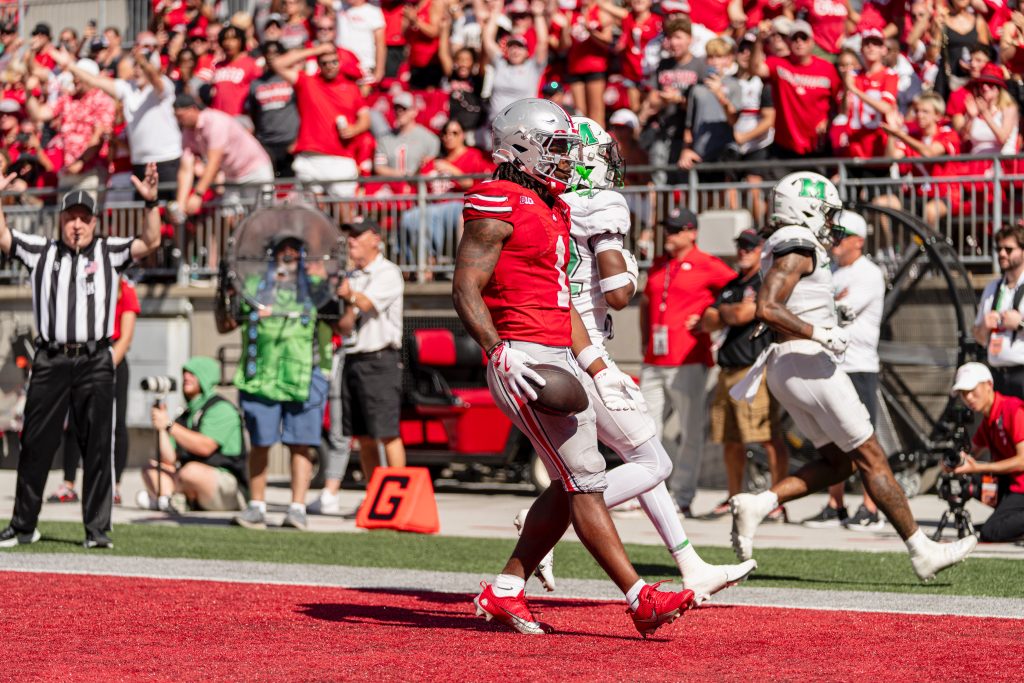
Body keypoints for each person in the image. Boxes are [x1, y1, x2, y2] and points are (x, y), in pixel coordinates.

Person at [454, 98, 694, 637]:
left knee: (579, 477)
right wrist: (498, 350)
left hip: (562, 352)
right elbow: (465, 287)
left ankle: (506, 589)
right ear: (522, 148)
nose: (569, 162)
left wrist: (598, 367)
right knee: (584, 479)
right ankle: (640, 597)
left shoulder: (554, 208)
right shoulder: (498, 199)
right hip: (525, 356)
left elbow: (564, 303)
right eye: (559, 149)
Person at [531, 115, 756, 604]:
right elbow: (616, 293)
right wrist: (628, 268)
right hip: (583, 348)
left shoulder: (552, 203)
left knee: (641, 451)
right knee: (654, 460)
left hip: (559, 339)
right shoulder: (602, 203)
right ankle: (544, 526)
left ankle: (690, 564)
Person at [728, 171, 977, 582]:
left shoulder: (787, 243)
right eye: (825, 213)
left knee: (839, 463)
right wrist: (820, 331)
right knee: (871, 456)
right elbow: (768, 308)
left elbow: (794, 299)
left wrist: (827, 315)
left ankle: (760, 503)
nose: (830, 223)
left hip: (789, 365)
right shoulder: (799, 242)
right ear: (804, 208)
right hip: (809, 361)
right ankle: (921, 549)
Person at [0, 167, 162, 549]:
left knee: (97, 445)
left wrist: (152, 202)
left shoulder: (109, 251)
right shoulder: (42, 251)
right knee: (36, 443)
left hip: (94, 359)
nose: (76, 226)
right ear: (61, 221)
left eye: (83, 219)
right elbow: (4, 237)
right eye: (71, 218)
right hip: (51, 358)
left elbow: (150, 241)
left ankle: (97, 530)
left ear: (94, 222)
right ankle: (24, 525)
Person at [224, 234, 337, 531]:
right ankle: (256, 506)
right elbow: (226, 323)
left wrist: (337, 289)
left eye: (295, 251)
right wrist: (224, 290)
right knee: (260, 441)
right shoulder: (252, 286)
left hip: (303, 374)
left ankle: (297, 508)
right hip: (261, 374)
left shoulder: (316, 289)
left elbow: (343, 323)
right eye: (281, 251)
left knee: (301, 444)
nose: (288, 257)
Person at [639, 206, 736, 516]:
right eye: (668, 228)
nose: (670, 234)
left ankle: (682, 497)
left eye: (677, 229)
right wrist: (644, 340)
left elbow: (739, 291)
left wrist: (715, 318)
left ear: (692, 232)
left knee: (689, 432)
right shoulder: (658, 265)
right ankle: (648, 492)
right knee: (644, 430)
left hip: (689, 360)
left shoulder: (708, 265)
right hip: (654, 360)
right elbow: (645, 302)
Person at [800, 210, 887, 530]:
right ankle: (835, 504)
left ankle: (871, 507)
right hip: (833, 362)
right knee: (832, 436)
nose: (834, 240)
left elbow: (840, 312)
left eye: (841, 235)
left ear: (859, 241)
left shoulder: (869, 273)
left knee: (864, 437)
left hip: (859, 364)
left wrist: (828, 305)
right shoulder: (832, 272)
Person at [701, 229, 787, 519]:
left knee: (767, 436)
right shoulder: (732, 284)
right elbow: (707, 320)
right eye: (740, 246)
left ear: (763, 250)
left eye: (750, 247)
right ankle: (734, 496)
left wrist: (727, 313)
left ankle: (778, 500)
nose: (743, 251)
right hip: (726, 369)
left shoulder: (766, 281)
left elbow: (739, 315)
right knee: (731, 439)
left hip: (754, 370)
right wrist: (732, 311)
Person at [48, 278, 140, 506]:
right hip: (83, 357)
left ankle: (114, 486)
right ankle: (69, 484)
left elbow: (126, 336)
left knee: (116, 424)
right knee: (75, 421)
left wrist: (106, 366)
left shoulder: (126, 290)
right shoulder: (85, 285)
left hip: (113, 359)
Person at [49, 44, 183, 200]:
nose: (138, 70)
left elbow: (155, 79)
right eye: (136, 66)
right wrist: (70, 65)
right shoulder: (127, 88)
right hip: (140, 163)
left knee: (169, 212)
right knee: (146, 212)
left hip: (167, 158)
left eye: (142, 66)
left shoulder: (164, 85)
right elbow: (94, 80)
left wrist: (143, 61)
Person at [337, 217, 406, 481]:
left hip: (379, 361)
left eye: (357, 234)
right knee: (363, 437)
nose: (351, 240)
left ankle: (398, 495)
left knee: (387, 433)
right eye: (349, 235)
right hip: (353, 359)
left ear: (376, 239)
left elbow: (365, 305)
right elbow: (344, 326)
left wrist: (347, 295)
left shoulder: (388, 272)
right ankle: (375, 495)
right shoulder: (351, 276)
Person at [140, 356, 247, 512]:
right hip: (189, 477)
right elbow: (169, 459)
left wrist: (169, 425)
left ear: (205, 376)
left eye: (192, 373)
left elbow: (205, 447)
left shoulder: (221, 408)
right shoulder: (186, 413)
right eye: (184, 373)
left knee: (191, 472)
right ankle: (170, 501)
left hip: (226, 484)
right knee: (151, 468)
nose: (185, 377)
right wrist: (161, 428)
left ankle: (168, 499)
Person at [271, 41, 370, 198]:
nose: (330, 66)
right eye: (324, 63)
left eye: (334, 62)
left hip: (341, 157)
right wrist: (317, 50)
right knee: (312, 215)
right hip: (311, 157)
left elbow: (365, 119)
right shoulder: (307, 82)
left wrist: (354, 129)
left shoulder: (351, 88)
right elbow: (278, 64)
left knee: (344, 213)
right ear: (318, 64)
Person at [951, 362, 1024, 543]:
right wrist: (952, 463)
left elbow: (1023, 460)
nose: (968, 397)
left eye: (972, 390)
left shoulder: (1012, 409)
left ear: (988, 385)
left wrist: (980, 467)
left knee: (990, 532)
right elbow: (969, 455)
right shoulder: (988, 420)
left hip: (1020, 487)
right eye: (963, 393)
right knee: (969, 484)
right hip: (1011, 485)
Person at [750, 19, 840, 161]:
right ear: (788, 42)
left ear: (812, 41)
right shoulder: (778, 64)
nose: (799, 42)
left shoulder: (827, 69)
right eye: (794, 38)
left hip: (818, 147)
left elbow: (840, 103)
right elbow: (756, 69)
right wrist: (759, 41)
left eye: (803, 38)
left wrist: (830, 121)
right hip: (785, 148)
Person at [173, 94, 275, 217]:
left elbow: (214, 162)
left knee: (262, 216)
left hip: (255, 171)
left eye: (181, 116)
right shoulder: (187, 132)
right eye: (176, 117)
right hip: (232, 176)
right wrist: (180, 204)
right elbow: (186, 169)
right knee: (229, 217)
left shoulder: (215, 122)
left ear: (193, 109)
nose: (179, 121)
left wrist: (198, 194)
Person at [25, 57, 116, 192]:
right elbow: (39, 114)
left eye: (78, 76)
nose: (75, 79)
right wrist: (29, 93)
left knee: (88, 212)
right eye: (74, 76)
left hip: (91, 171)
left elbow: (99, 136)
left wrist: (81, 162)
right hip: (69, 170)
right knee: (66, 213)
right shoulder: (67, 99)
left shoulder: (102, 100)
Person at [973, 223, 1024, 398]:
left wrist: (1020, 324)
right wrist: (984, 327)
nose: (1002, 254)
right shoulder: (992, 288)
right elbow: (978, 337)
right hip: (997, 375)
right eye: (999, 249)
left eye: (1008, 249)